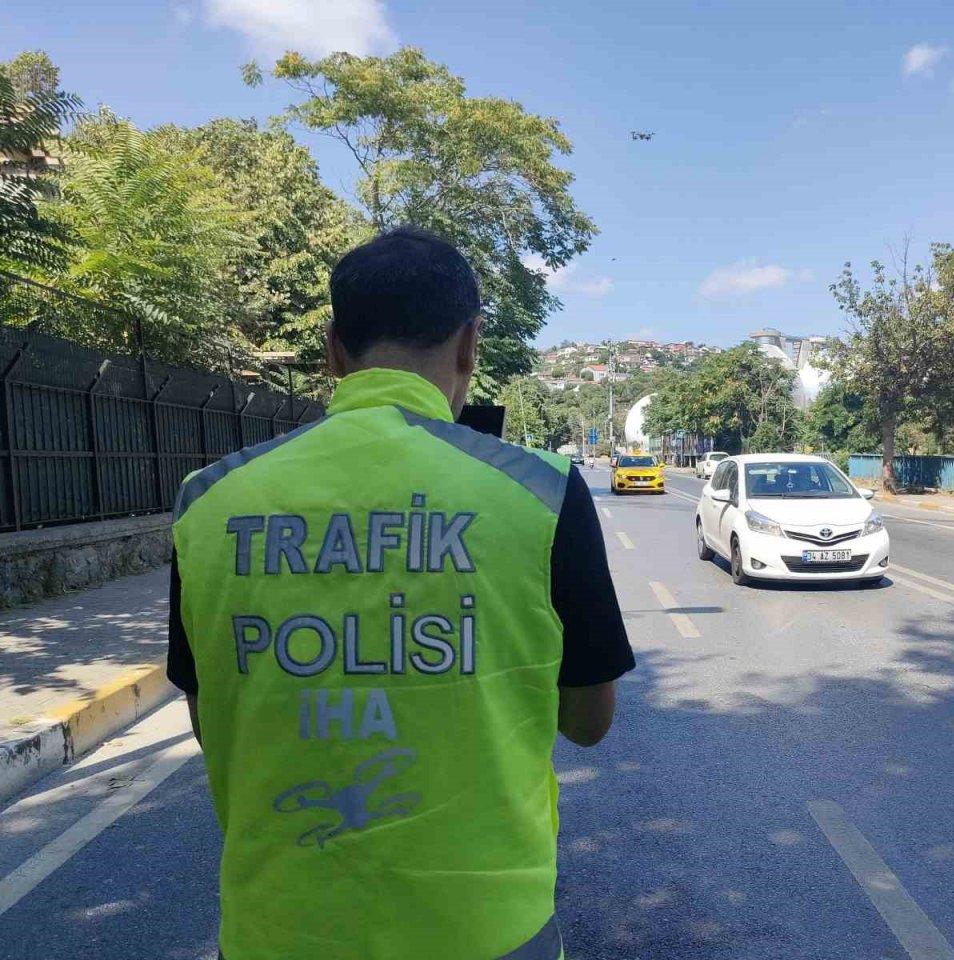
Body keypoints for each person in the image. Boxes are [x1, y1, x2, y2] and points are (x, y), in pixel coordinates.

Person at [166, 226, 634, 960]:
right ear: (470, 344)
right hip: (486, 927)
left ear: (332, 351)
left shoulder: (209, 500)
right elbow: (588, 721)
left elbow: (210, 719)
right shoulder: (542, 490)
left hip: (279, 931)